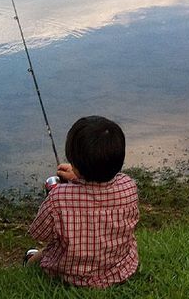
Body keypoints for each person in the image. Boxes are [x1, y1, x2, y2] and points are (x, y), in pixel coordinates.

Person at [25, 115, 139, 288]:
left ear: (74, 162)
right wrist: (79, 176)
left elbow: (40, 234)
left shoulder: (58, 198)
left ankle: (28, 262)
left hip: (70, 275)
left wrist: (54, 196)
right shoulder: (128, 186)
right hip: (119, 269)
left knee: (47, 250)